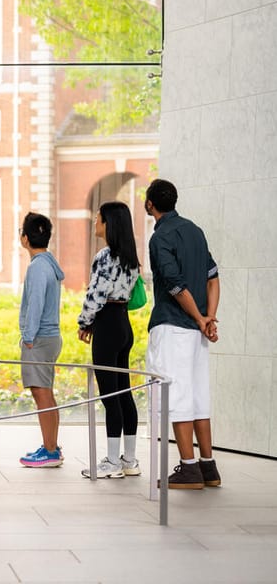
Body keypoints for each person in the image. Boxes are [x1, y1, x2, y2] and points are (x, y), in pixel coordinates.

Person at [144, 179, 221, 490]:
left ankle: (188, 468)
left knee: (177, 396)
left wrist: (199, 316)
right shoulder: (195, 230)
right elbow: (213, 278)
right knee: (199, 394)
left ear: (150, 204)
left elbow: (175, 285)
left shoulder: (159, 237)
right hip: (196, 331)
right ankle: (208, 466)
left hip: (173, 325)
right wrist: (209, 318)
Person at [77, 202, 142, 479]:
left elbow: (96, 294)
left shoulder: (105, 256)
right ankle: (129, 460)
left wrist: (84, 322)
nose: (95, 222)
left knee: (109, 395)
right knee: (124, 392)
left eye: (98, 218)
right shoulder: (130, 257)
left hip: (106, 325)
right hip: (123, 325)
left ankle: (112, 463)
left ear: (108, 224)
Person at [17, 212, 66, 468]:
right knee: (46, 393)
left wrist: (27, 337)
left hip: (39, 339)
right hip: (50, 337)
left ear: (25, 239)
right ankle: (52, 447)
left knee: (42, 394)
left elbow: (35, 305)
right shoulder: (49, 262)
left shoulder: (37, 267)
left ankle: (49, 451)